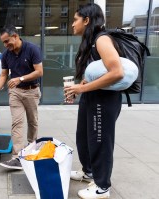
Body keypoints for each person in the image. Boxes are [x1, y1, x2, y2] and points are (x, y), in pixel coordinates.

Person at [64, 3, 124, 198]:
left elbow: (117, 72)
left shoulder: (102, 39)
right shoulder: (90, 42)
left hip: (104, 101)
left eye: (75, 20)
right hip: (92, 97)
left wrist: (81, 88)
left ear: (87, 20)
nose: (73, 24)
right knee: (84, 136)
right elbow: (98, 73)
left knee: (100, 141)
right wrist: (81, 86)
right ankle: (88, 171)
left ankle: (102, 186)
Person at [0, 25, 43, 170]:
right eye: (3, 42)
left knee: (33, 121)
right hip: (15, 92)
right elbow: (4, 75)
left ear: (16, 36)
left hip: (32, 90)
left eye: (7, 41)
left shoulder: (32, 49)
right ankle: (17, 157)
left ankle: (31, 147)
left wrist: (21, 78)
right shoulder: (6, 55)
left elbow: (39, 72)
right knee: (17, 123)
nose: (6, 45)